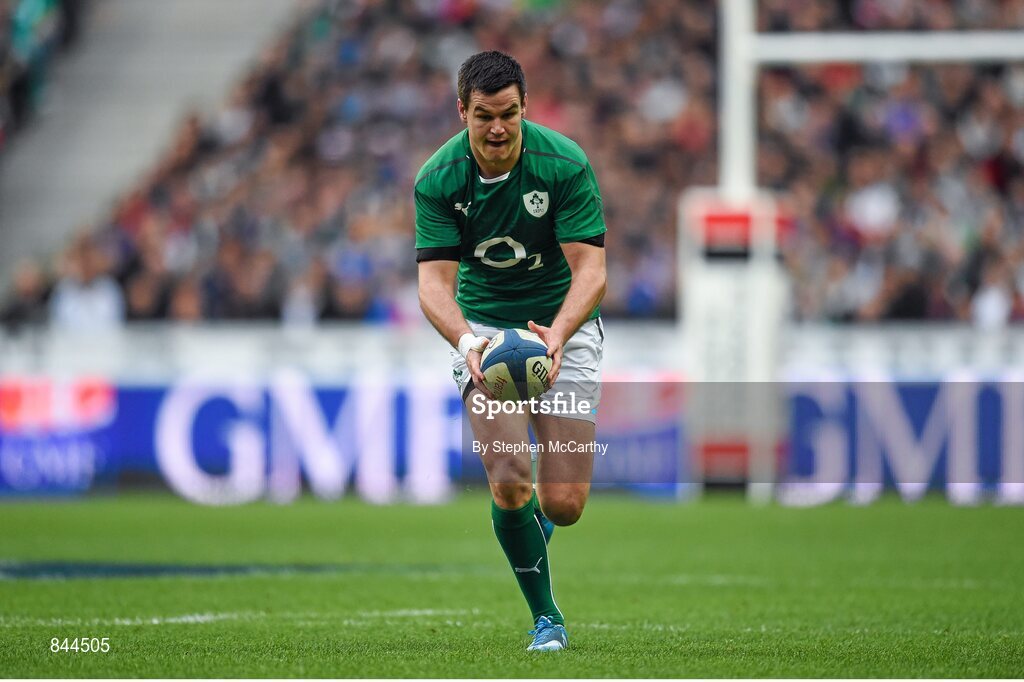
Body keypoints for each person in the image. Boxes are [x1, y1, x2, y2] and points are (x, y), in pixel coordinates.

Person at [415, 51, 607, 652]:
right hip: (486, 335)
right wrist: (468, 341)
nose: (497, 128)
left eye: (509, 114)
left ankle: (531, 529)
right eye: (483, 116)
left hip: (560, 328)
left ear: (525, 107)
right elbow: (432, 285)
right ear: (461, 112)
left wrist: (558, 332)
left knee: (566, 503)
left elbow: (592, 270)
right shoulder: (438, 179)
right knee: (508, 477)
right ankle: (546, 617)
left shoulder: (564, 163)